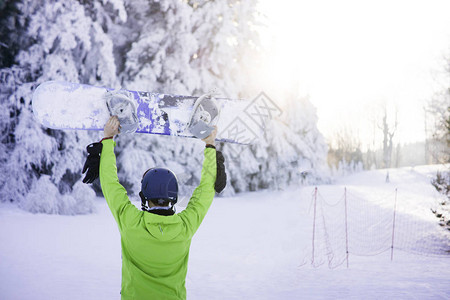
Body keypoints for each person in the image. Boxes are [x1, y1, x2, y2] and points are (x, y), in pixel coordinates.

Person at [82, 116, 226, 300]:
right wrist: (210, 145)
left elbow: (110, 184)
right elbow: (206, 190)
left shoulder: (131, 223)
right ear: (173, 197)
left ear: (144, 196)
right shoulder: (184, 227)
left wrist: (108, 141)